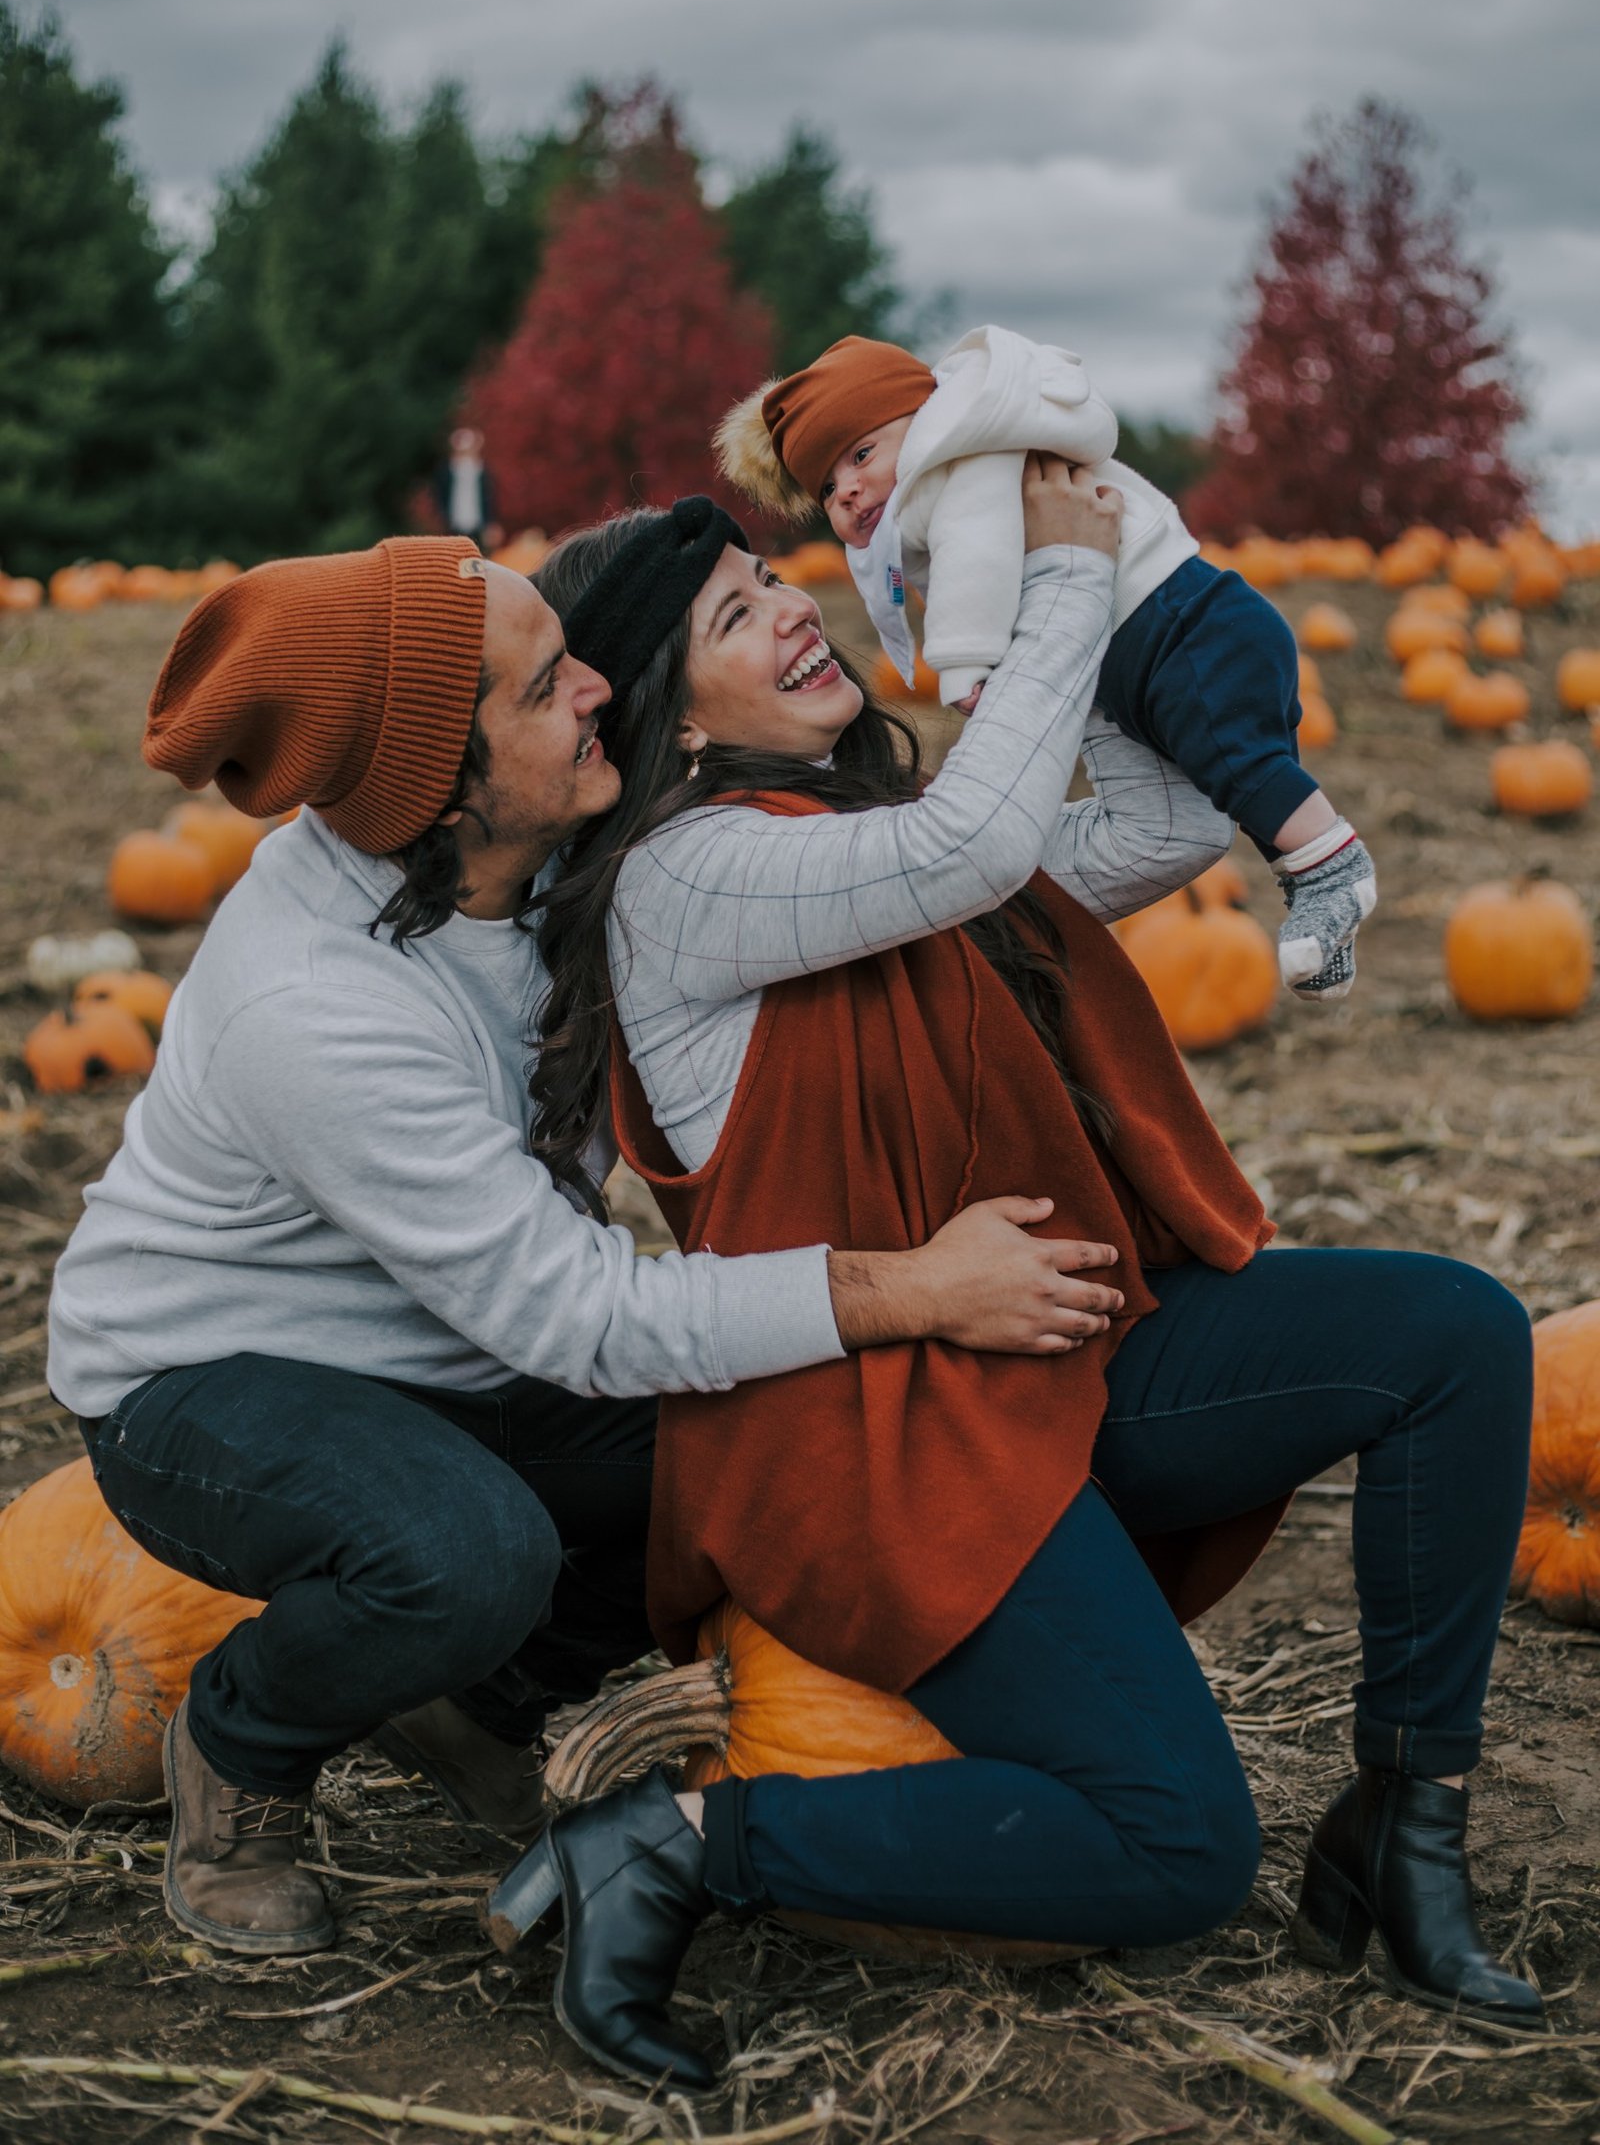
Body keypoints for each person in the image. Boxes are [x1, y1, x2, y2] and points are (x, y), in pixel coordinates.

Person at [488, 470, 1540, 2093]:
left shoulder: (869, 847)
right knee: (1177, 1848)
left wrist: (1138, 576)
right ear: (669, 722)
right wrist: (1050, 576)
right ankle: (682, 1844)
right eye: (732, 612)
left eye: (774, 578)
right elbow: (974, 845)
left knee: (1455, 1339)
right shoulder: (694, 880)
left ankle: (1406, 1825)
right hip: (880, 1436)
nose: (791, 606)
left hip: (1044, 1353)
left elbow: (1174, 819)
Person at [47, 531, 1120, 1962]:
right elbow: (584, 1320)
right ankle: (242, 1746)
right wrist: (908, 1288)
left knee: (746, 1448)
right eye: (547, 685)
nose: (603, 686)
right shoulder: (310, 1010)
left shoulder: (569, 852)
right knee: (464, 1549)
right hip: (210, 1384)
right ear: (442, 784)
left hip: (452, 1339)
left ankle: (474, 1702)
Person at [715, 327, 1377, 999]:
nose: (850, 490)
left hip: (1181, 629)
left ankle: (1332, 869)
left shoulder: (959, 468)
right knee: (1235, 776)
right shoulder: (935, 482)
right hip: (1135, 654)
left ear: (922, 425)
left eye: (860, 455)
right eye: (828, 488)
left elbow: (980, 561)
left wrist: (967, 665)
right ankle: (1317, 903)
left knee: (1243, 764)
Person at [432, 424, 502, 553]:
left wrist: (490, 523)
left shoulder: (482, 471)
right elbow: (439, 496)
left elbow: (490, 499)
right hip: (453, 524)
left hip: (477, 525)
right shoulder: (447, 471)